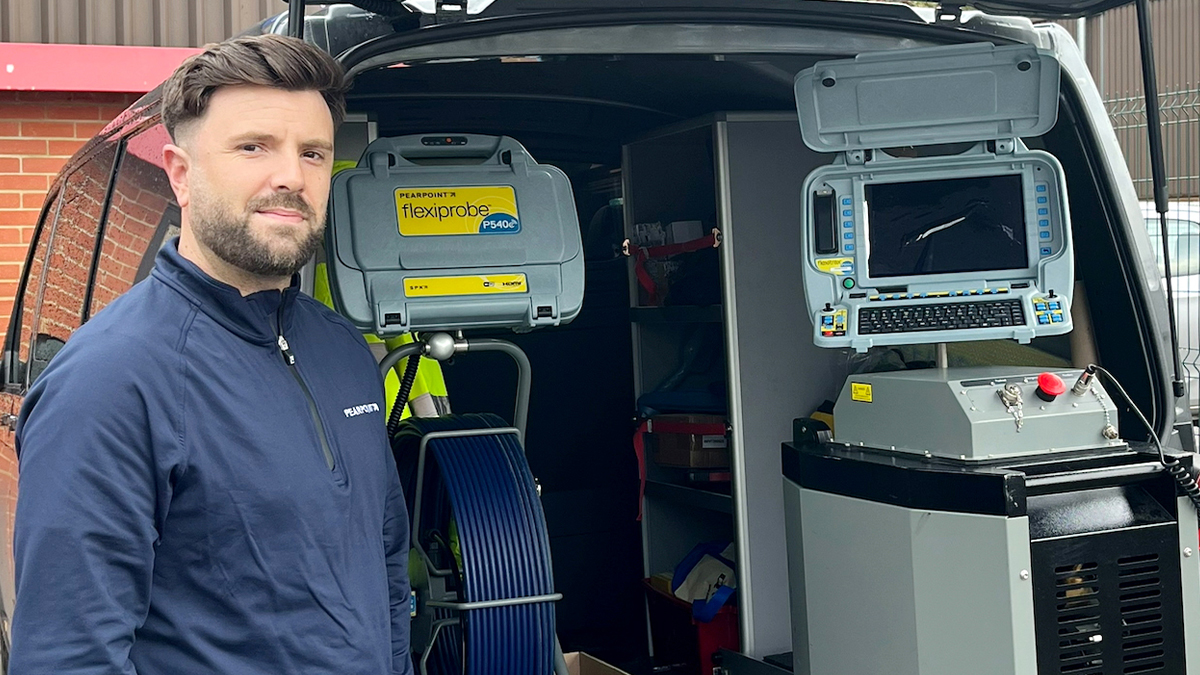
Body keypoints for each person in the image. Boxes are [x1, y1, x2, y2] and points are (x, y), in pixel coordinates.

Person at [11, 35, 414, 675]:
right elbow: (70, 655)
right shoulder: (109, 381)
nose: (291, 177)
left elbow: (384, 560)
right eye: (253, 147)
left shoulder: (343, 348)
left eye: (312, 153)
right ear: (181, 174)